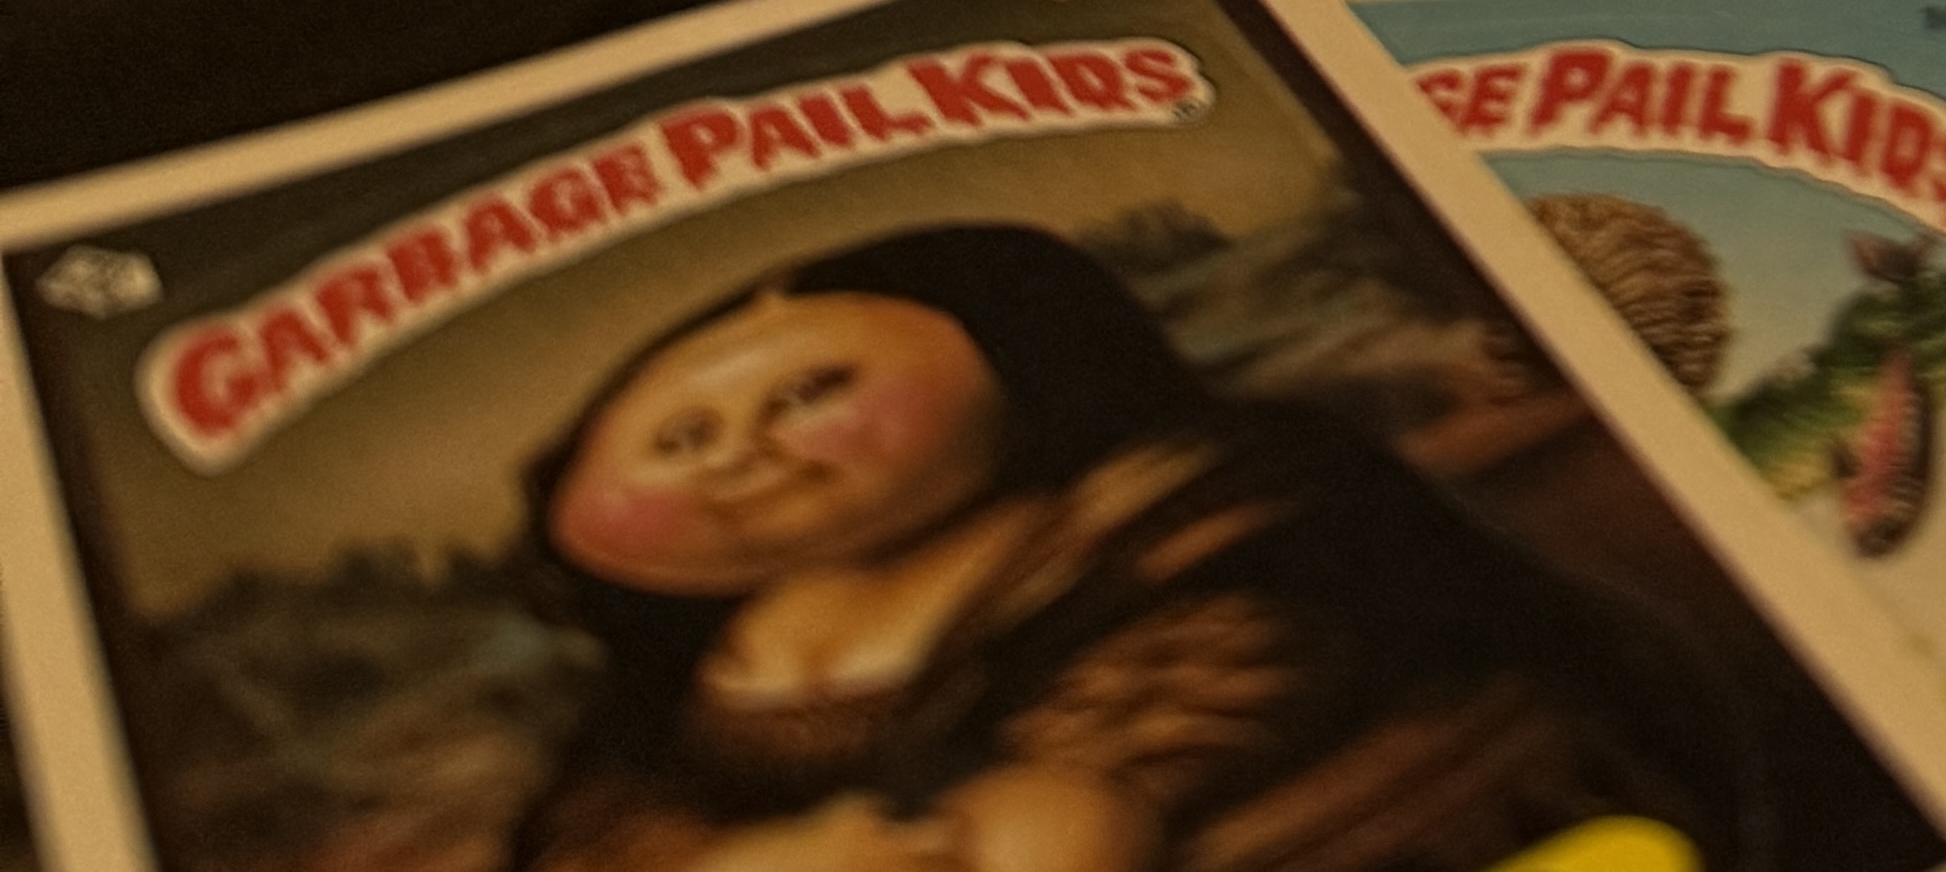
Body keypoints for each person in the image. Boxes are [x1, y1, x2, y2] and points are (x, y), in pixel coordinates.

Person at [509, 221, 1719, 872]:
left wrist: (1057, 806)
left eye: (810, 392)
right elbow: (604, 813)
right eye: (679, 440)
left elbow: (1243, 658)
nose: (743, 454)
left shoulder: (1195, 504)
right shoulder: (694, 680)